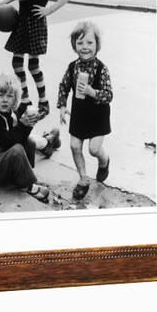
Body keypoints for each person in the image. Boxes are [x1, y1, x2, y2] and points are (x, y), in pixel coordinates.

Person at [0, 74, 56, 202]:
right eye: (0, 95)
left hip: (1, 162)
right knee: (17, 150)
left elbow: (19, 137)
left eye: (9, 96)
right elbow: (8, 143)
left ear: (15, 100)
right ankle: (27, 185)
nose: (5, 100)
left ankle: (25, 175)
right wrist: (23, 125)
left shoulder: (9, 114)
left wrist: (29, 124)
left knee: (29, 142)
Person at [57, 21, 113, 200]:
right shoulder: (73, 67)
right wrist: (63, 106)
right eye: (80, 43)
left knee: (94, 149)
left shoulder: (102, 69)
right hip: (79, 113)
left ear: (97, 45)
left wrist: (91, 91)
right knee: (74, 145)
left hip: (98, 114)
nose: (85, 47)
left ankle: (104, 161)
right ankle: (83, 179)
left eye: (89, 42)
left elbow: (109, 95)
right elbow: (64, 86)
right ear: (74, 45)